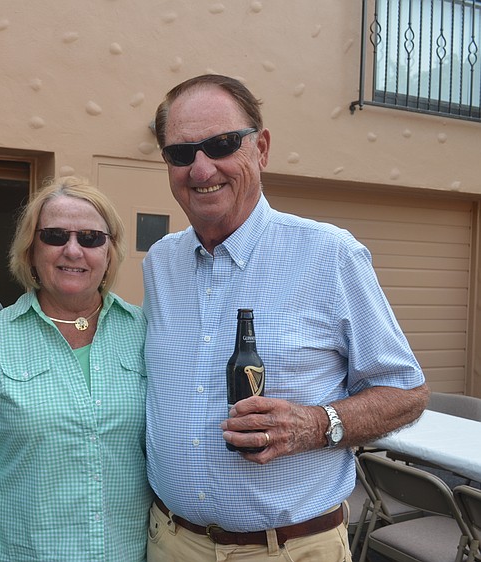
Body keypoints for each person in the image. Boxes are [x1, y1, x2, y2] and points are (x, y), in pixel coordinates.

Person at [143, 74, 429, 561]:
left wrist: (317, 424)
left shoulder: (328, 254)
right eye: (181, 152)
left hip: (290, 550)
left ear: (263, 148)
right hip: (172, 541)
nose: (201, 167)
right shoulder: (161, 262)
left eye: (222, 144)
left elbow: (407, 392)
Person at [0, 176, 152, 561]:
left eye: (91, 238)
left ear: (110, 251)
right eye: (55, 236)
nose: (73, 250)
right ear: (30, 250)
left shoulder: (142, 332)